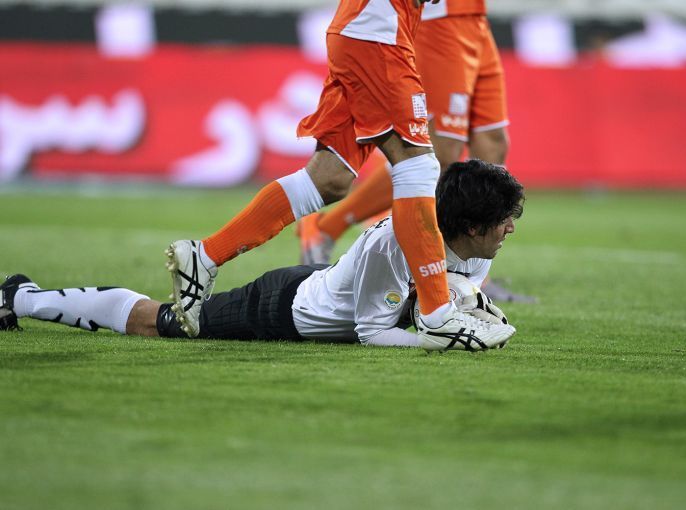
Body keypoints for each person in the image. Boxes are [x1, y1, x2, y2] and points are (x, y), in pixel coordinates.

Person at [164, 0, 511, 350]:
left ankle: (204, 255)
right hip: (379, 30)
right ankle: (439, 316)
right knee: (418, 165)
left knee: (329, 178)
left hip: (374, 29)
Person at [2, 161, 524, 351]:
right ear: (470, 226)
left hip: (328, 286)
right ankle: (20, 296)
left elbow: (420, 304)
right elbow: (372, 331)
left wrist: (462, 308)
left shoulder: (478, 246)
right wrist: (442, 339)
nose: (510, 230)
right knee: (160, 324)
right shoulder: (392, 243)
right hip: (285, 308)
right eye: (503, 221)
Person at [297, 0, 535, 303]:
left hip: (475, 18)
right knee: (439, 156)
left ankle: (476, 273)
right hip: (439, 22)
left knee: (493, 143)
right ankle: (327, 227)